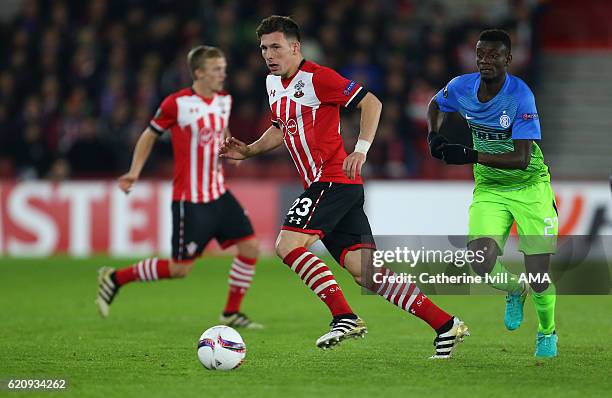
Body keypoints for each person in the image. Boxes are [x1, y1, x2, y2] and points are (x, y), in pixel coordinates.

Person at [221, 15, 468, 358]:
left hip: (333, 178)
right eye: (264, 48)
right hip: (334, 186)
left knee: (287, 244)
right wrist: (248, 150)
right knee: (366, 272)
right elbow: (281, 127)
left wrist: (362, 149)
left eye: (275, 47)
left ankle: (344, 316)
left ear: (295, 47)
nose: (268, 54)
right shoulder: (272, 84)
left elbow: (372, 103)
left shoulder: (319, 78)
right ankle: (446, 325)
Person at [96, 45, 262, 329]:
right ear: (198, 72)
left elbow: (222, 129)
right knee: (179, 269)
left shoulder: (224, 100)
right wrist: (135, 172)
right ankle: (115, 278)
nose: (222, 74)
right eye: (216, 69)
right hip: (191, 200)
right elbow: (150, 134)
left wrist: (230, 147)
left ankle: (231, 312)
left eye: (223, 68)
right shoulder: (177, 103)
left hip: (219, 193)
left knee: (250, 247)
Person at [427, 29, 558, 358]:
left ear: (508, 59)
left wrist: (469, 154)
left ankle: (546, 331)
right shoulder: (461, 87)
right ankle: (515, 290)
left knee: (540, 275)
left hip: (530, 187)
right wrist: (433, 135)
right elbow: (435, 103)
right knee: (480, 260)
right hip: (490, 187)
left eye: (494, 55)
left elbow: (522, 158)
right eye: (481, 54)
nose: (486, 60)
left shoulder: (520, 97)